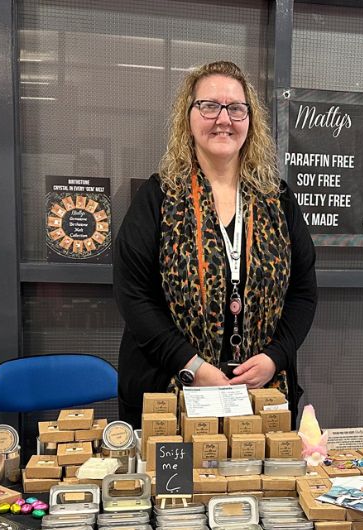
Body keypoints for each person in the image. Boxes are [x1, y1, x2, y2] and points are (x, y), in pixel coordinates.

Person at [113, 61, 318, 427]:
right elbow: (134, 297)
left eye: (236, 108)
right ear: (187, 118)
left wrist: (275, 356)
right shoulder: (158, 197)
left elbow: (302, 293)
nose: (223, 119)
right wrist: (193, 367)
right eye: (209, 106)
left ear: (250, 120)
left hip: (261, 394)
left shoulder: (278, 200)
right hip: (170, 388)